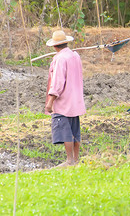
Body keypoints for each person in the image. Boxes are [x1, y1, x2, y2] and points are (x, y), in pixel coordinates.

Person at [45, 30, 86, 167]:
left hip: (64, 100)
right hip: (75, 99)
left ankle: (69, 161)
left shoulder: (61, 59)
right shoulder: (75, 55)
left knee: (65, 130)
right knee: (75, 129)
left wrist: (50, 102)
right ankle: (76, 159)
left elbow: (58, 82)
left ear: (55, 46)